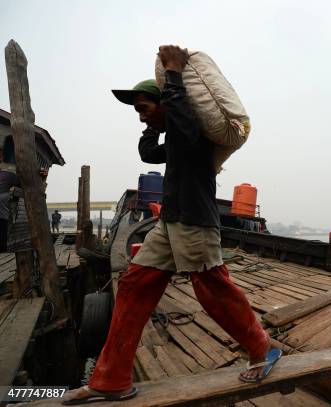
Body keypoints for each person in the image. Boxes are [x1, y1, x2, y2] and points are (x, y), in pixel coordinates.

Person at [62, 45, 279, 405]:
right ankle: (111, 378)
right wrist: (151, 124)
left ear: (167, 103)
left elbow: (180, 119)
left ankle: (262, 348)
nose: (140, 117)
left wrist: (175, 76)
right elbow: (149, 154)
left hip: (194, 220)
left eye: (144, 109)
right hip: (170, 222)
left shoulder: (190, 128)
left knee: (213, 292)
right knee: (133, 286)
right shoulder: (175, 136)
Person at [0, 148, 19, 252]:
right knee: (2, 225)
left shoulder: (8, 175)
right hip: (2, 206)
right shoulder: (9, 175)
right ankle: (2, 248)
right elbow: (21, 184)